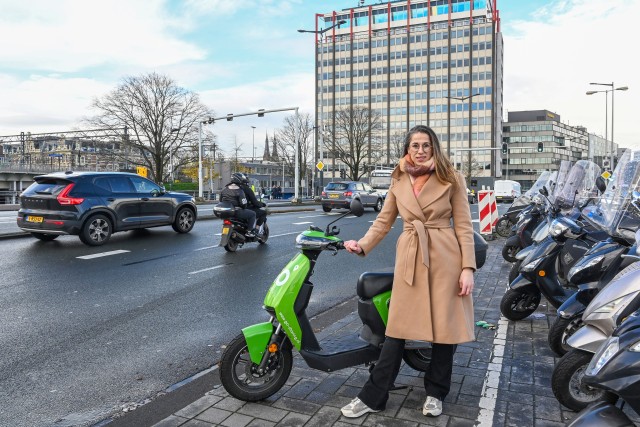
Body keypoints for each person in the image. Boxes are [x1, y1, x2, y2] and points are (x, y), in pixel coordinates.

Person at [340, 125, 476, 419]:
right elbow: (383, 221)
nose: (421, 150)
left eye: (426, 145)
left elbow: (464, 226)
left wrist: (467, 268)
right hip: (412, 257)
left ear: (434, 147)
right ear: (407, 149)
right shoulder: (398, 179)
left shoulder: (451, 177)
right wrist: (362, 245)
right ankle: (374, 396)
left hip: (444, 256)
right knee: (397, 330)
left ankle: (436, 393)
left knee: (443, 330)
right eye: (415, 145)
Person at [220, 173, 265, 237]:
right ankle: (250, 231)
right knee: (253, 214)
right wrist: (243, 207)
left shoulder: (225, 189)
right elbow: (244, 203)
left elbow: (220, 201)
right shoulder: (240, 190)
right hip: (237, 211)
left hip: (227, 211)